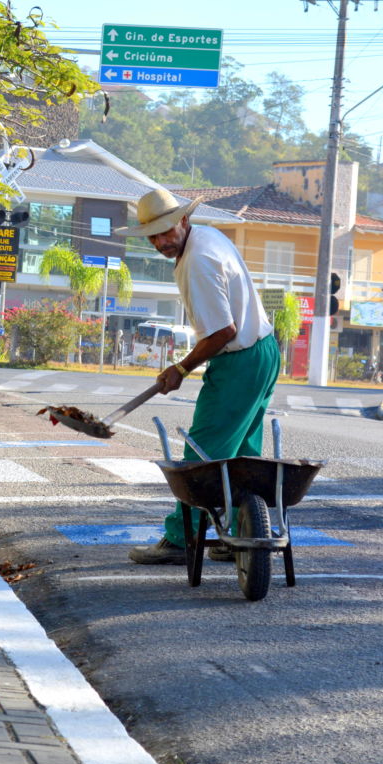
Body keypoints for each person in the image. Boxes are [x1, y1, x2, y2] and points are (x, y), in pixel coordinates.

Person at [113, 188, 278, 565]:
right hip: (263, 351)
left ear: (183, 220)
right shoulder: (206, 236)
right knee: (241, 455)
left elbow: (222, 332)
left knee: (201, 454)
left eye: (166, 231)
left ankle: (181, 538)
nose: (161, 242)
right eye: (152, 236)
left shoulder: (198, 261)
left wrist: (181, 368)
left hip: (241, 360)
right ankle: (236, 535)